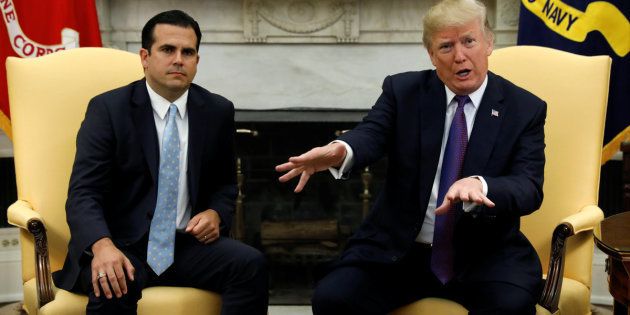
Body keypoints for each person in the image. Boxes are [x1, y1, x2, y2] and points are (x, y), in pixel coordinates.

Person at [276, 0, 546, 314]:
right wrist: (342, 150)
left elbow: (528, 188)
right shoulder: (404, 91)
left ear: (488, 43)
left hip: (484, 255)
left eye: (468, 41)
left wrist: (482, 186)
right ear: (431, 55)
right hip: (401, 252)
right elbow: (372, 133)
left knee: (511, 306)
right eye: (446, 46)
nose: (459, 55)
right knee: (333, 298)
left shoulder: (523, 108)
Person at [53, 10, 268, 315]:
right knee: (113, 281)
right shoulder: (109, 109)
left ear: (196, 60)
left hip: (186, 245)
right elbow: (83, 193)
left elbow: (225, 184)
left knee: (250, 264)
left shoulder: (217, 111)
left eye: (188, 52)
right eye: (168, 50)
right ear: (145, 57)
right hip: (121, 243)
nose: (178, 59)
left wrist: (215, 213)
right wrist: (102, 246)